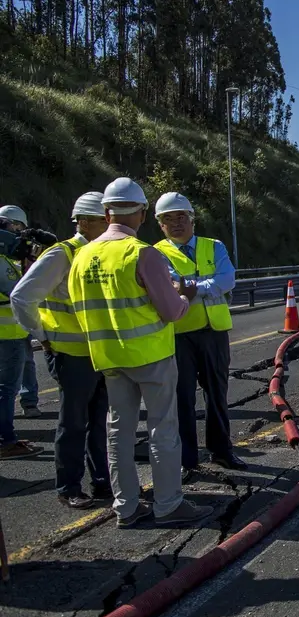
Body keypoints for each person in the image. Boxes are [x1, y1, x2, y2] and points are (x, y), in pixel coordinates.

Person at [68, 177, 212, 528]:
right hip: (151, 356)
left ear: (106, 212)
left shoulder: (82, 255)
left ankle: (126, 507)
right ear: (144, 213)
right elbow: (172, 311)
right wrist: (185, 295)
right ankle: (168, 504)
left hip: (108, 358)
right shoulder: (141, 253)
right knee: (163, 429)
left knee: (118, 432)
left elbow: (77, 307)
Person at [10, 193, 112, 508]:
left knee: (99, 423)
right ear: (84, 221)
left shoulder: (101, 252)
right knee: (74, 423)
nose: (111, 224)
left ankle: (102, 484)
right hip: (72, 355)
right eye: (104, 219)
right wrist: (43, 335)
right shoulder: (62, 254)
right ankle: (69, 487)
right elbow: (22, 297)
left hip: (101, 354)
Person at [153, 192, 245, 479]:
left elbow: (227, 278)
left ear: (192, 219)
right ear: (160, 225)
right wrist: (204, 284)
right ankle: (187, 459)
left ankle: (221, 451)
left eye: (181, 217)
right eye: (169, 219)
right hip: (179, 335)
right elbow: (171, 285)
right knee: (181, 399)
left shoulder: (213, 246)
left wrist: (196, 287)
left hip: (214, 332)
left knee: (217, 394)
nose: (176, 223)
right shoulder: (155, 253)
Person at [0, 205, 42, 460]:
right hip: (8, 335)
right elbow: (19, 293)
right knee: (6, 390)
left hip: (12, 334)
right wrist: (31, 266)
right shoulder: (3, 262)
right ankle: (6, 441)